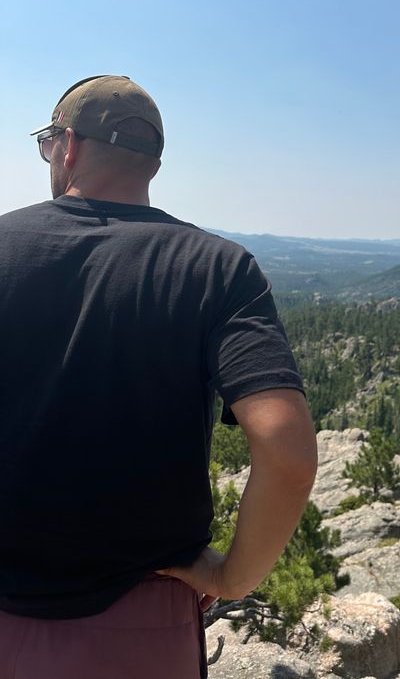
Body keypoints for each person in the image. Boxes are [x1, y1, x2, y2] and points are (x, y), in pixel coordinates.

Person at [0, 75, 317, 678]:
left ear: (67, 146)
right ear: (152, 163)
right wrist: (234, 576)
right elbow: (286, 449)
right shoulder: (217, 268)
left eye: (46, 143)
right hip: (140, 625)